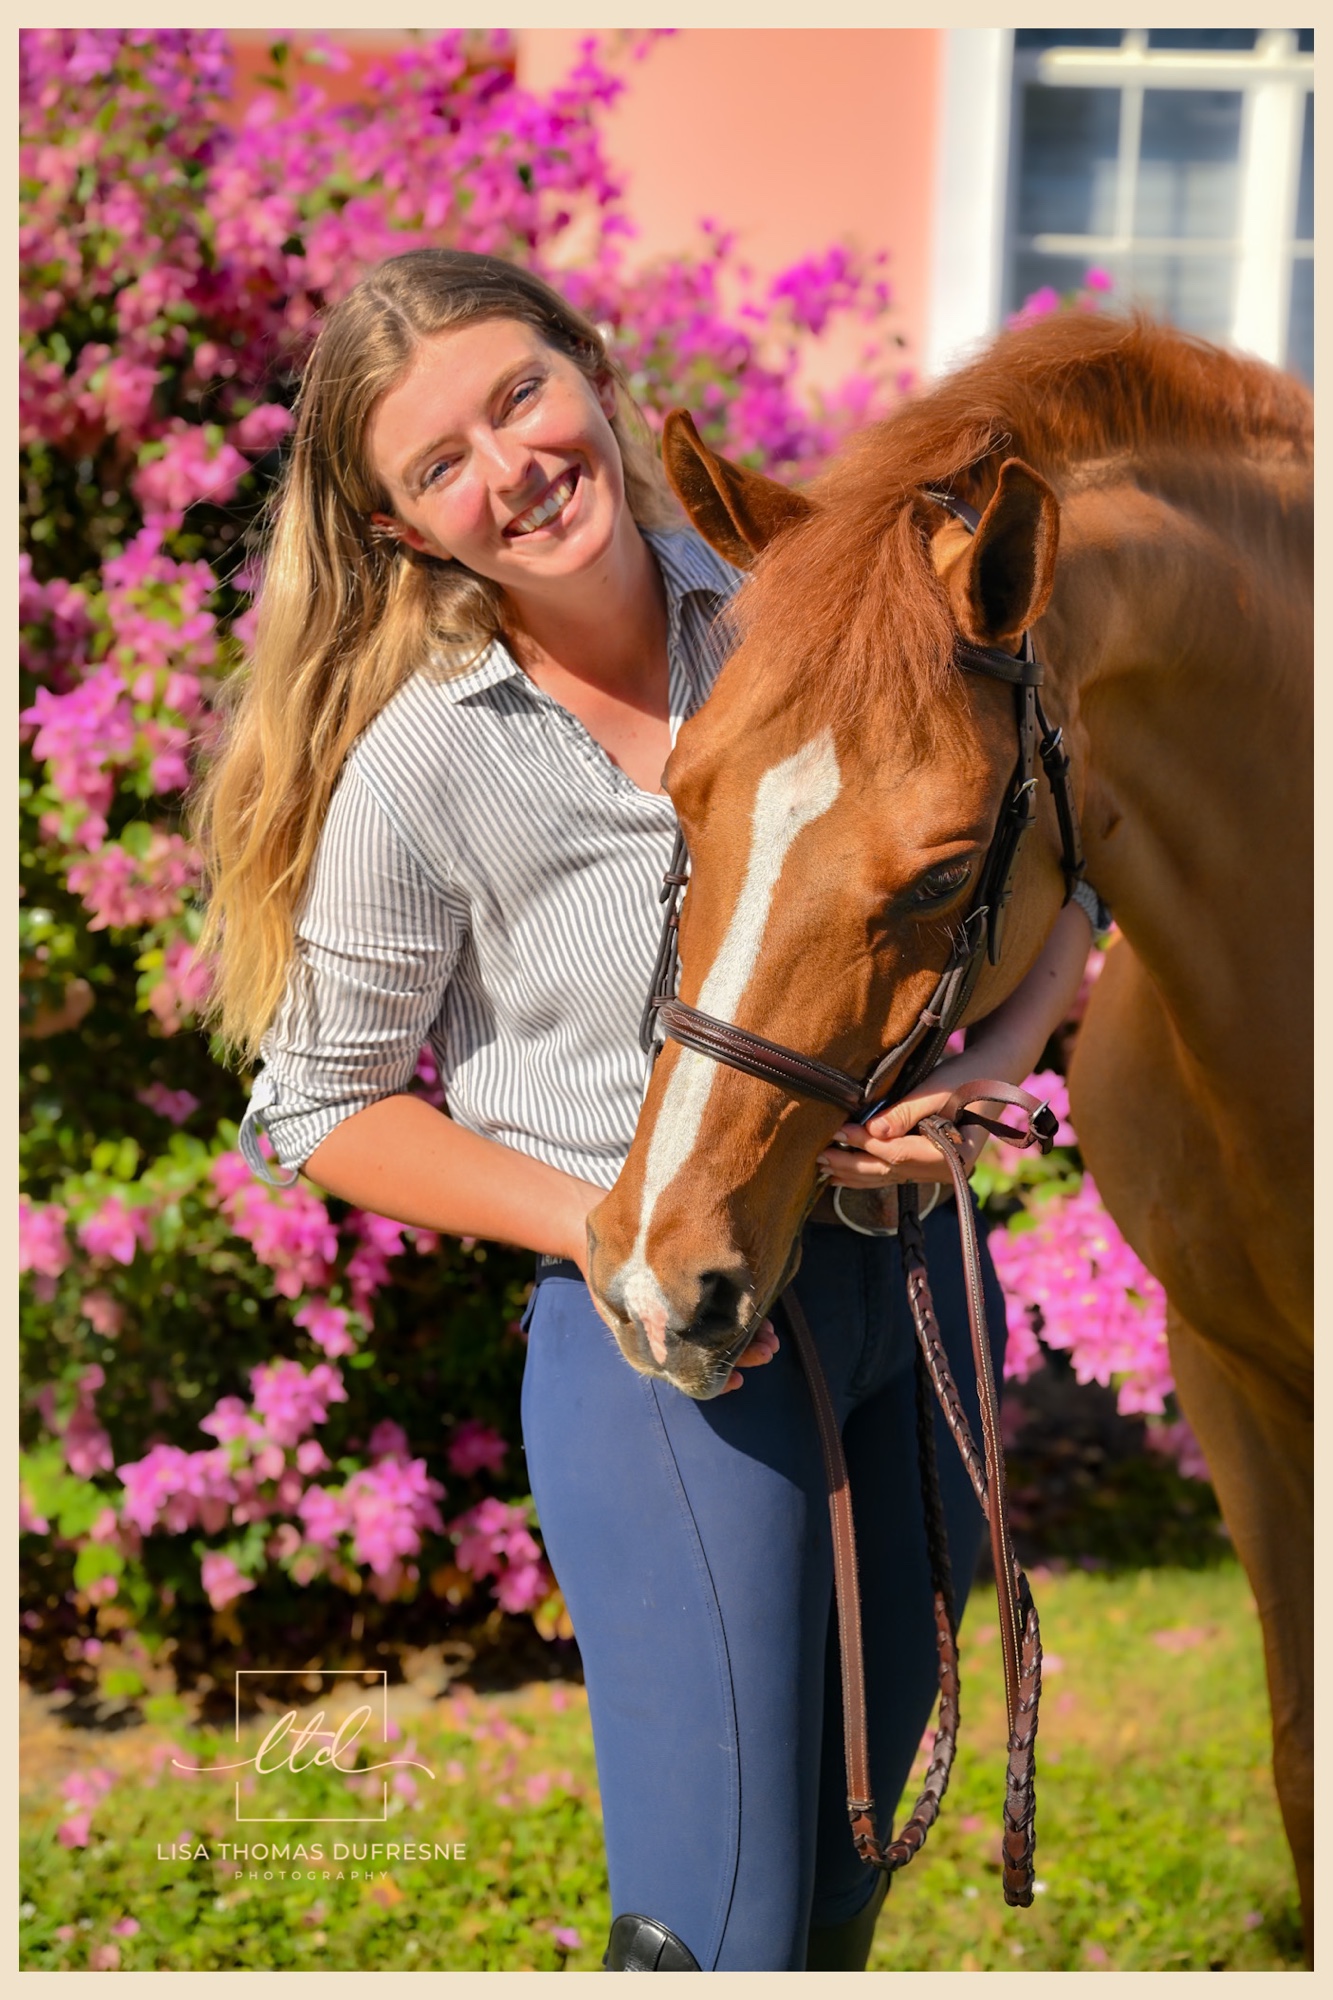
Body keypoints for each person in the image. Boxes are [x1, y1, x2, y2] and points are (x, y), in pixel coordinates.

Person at [197, 248, 1098, 1971]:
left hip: (917, 1294)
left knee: (840, 1896)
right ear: (403, 530)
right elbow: (317, 1104)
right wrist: (600, 1224)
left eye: (519, 395)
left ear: (592, 372)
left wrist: (983, 1071)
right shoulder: (428, 761)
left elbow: (1062, 864)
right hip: (676, 1354)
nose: (510, 466)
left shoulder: (800, 608)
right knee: (718, 1932)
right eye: (439, 462)